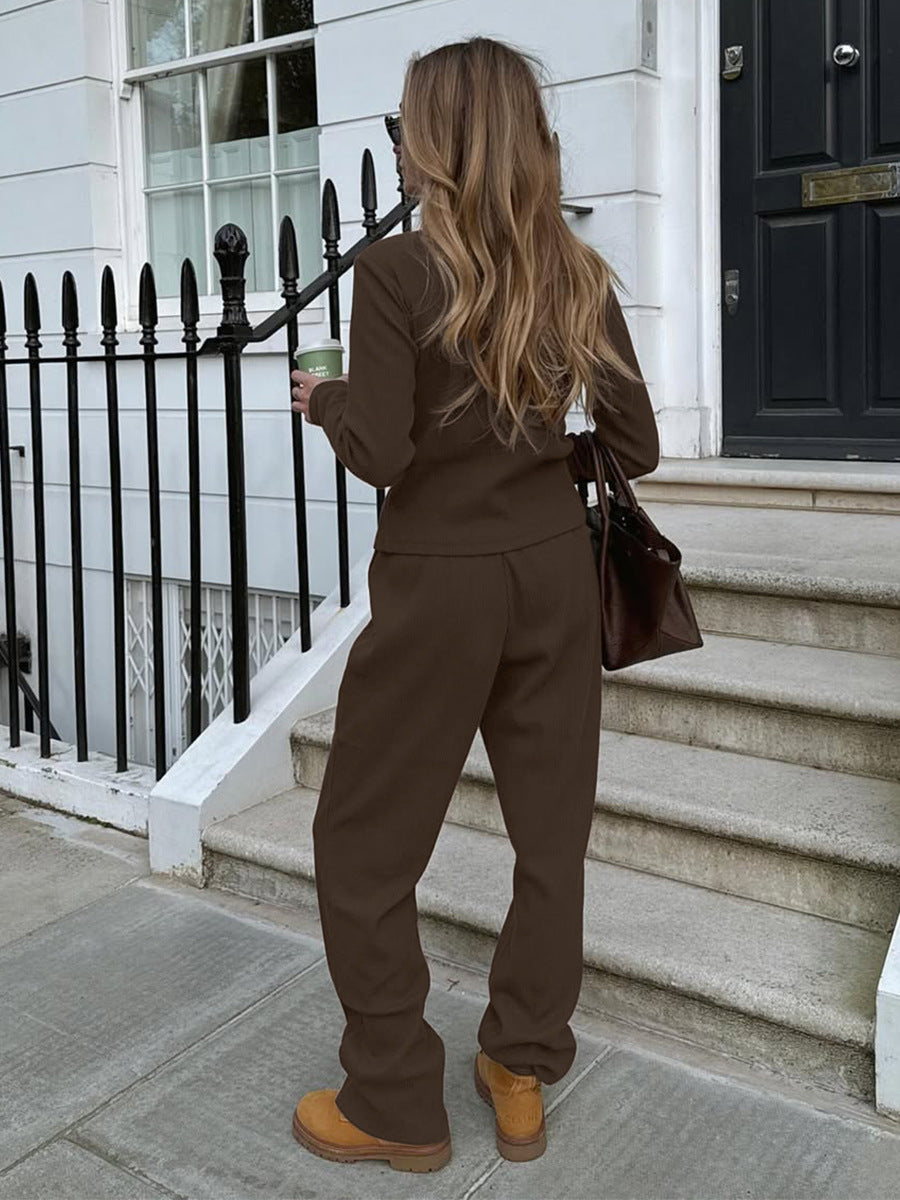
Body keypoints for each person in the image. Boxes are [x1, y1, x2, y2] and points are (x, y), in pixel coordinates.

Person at [288, 35, 659, 1174]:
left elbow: (387, 451)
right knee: (551, 841)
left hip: (440, 583)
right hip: (550, 571)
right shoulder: (577, 275)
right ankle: (522, 1065)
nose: (397, 155)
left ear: (439, 144)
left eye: (403, 132)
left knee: (362, 844)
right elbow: (635, 444)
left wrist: (329, 401)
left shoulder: (397, 275)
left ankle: (396, 1097)